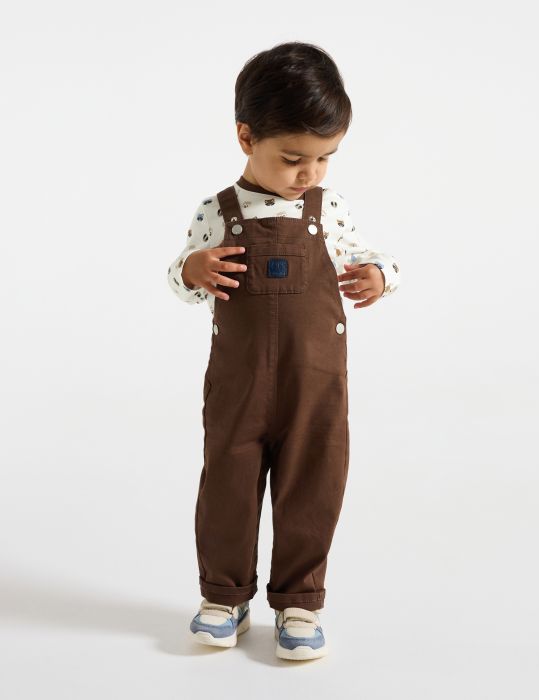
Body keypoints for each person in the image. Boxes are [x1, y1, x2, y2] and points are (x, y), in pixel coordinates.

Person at [167, 41, 400, 661]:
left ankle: (300, 601)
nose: (310, 174)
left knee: (313, 485)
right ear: (246, 137)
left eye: (325, 158)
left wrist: (378, 274)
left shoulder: (330, 209)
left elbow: (369, 254)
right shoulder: (217, 212)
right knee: (228, 484)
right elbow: (179, 282)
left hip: (315, 384)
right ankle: (225, 596)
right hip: (239, 383)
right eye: (293, 159)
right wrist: (192, 269)